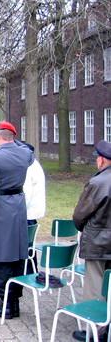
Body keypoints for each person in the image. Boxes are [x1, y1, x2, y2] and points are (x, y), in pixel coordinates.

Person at [0, 121, 33, 319]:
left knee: (1, 255)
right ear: (12, 136)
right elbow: (27, 150)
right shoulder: (25, 154)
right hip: (19, 206)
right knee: (18, 254)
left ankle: (5, 304)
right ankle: (15, 302)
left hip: (1, 209)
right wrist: (13, 140)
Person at [72, 140, 111, 342]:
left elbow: (79, 216)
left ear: (102, 160)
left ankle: (96, 332)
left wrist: (82, 228)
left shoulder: (98, 183)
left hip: (98, 244)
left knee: (95, 288)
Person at [19, 141, 46, 274]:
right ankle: (31, 270)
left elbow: (26, 192)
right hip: (32, 213)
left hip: (27, 213)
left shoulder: (28, 167)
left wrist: (18, 210)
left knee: (27, 246)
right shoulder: (35, 164)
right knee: (29, 245)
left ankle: (28, 271)